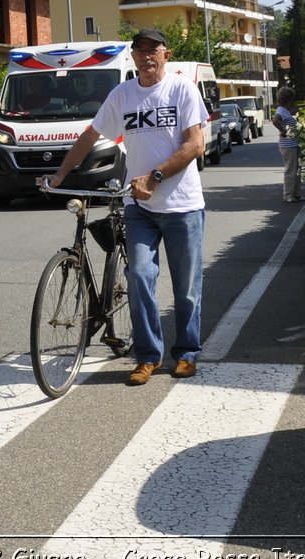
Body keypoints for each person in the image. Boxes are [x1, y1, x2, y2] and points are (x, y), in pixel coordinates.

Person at [49, 28, 208, 387]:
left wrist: (153, 176)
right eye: (140, 50)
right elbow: (90, 135)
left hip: (182, 206)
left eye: (154, 49)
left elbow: (195, 145)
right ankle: (147, 356)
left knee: (186, 287)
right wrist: (61, 172)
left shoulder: (181, 89)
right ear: (133, 57)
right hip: (140, 208)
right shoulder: (122, 94)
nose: (147, 56)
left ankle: (186, 353)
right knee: (138, 277)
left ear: (166, 54)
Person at [274, 87, 303, 202]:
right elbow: (275, 120)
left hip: (294, 143)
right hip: (288, 145)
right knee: (291, 170)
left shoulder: (285, 110)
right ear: (288, 99)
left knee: (297, 170)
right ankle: (288, 195)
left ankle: (296, 194)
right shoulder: (281, 110)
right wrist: (283, 131)